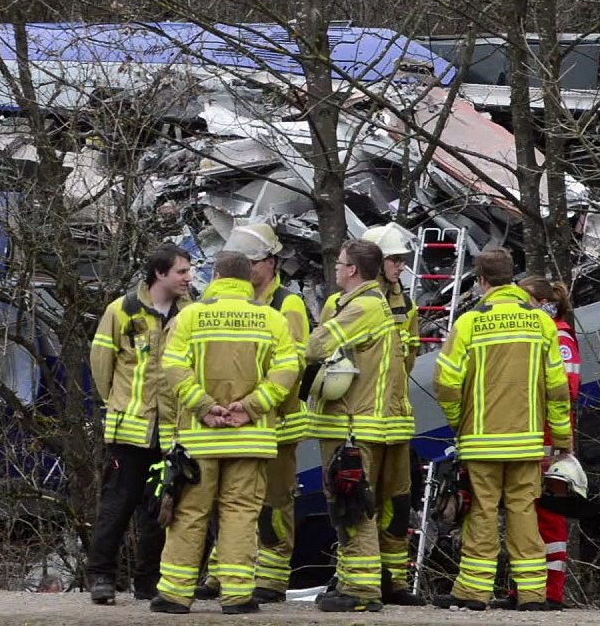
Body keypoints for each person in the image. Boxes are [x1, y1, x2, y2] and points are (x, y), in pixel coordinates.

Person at [150, 251, 300, 615]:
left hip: (202, 436)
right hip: (251, 437)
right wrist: (251, 407)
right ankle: (236, 596)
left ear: (216, 275)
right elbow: (288, 369)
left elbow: (172, 366)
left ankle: (174, 595)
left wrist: (203, 405)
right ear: (249, 277)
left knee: (190, 512)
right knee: (240, 513)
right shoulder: (271, 319)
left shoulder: (190, 316)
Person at [432, 249, 572, 612]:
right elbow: (557, 387)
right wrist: (561, 440)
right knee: (524, 512)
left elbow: (446, 382)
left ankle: (473, 593)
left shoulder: (469, 322)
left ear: (481, 280)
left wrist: (458, 420)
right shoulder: (540, 322)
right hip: (527, 443)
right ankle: (532, 594)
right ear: (513, 277)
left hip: (481, 441)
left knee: (481, 512)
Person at [194, 223, 309, 605]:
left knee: (273, 501)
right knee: (229, 503)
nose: (245, 269)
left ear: (271, 264)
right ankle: (222, 574)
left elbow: (292, 366)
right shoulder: (233, 304)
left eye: (252, 262)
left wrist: (257, 405)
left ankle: (272, 577)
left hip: (275, 422)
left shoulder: (286, 304)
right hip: (233, 421)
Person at [303, 239, 408, 612]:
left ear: (352, 270)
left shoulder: (361, 306)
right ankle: (351, 581)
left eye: (340, 262)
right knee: (348, 504)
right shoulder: (370, 303)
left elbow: (317, 346)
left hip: (352, 424)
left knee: (350, 504)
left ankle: (361, 590)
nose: (335, 267)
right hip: (360, 423)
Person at [86, 243, 193, 605]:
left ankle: (148, 581)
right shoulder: (121, 311)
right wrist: (117, 404)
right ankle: (101, 576)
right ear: (159, 273)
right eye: (181, 271)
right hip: (129, 432)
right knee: (117, 506)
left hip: (172, 433)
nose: (187, 277)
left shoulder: (190, 313)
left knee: (160, 511)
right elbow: (101, 365)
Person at [356, 223, 424, 606]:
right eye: (395, 260)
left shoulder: (406, 304)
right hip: (363, 420)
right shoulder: (348, 302)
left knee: (397, 505)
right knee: (359, 504)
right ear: (377, 262)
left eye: (401, 259)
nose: (401, 266)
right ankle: (360, 584)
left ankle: (394, 583)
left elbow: (408, 357)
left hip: (396, 419)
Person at [514, 276, 581, 611]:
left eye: (524, 297)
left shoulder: (559, 334)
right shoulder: (539, 331)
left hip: (549, 439)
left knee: (549, 518)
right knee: (524, 516)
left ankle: (551, 592)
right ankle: (523, 590)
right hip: (530, 434)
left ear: (542, 302)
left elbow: (566, 390)